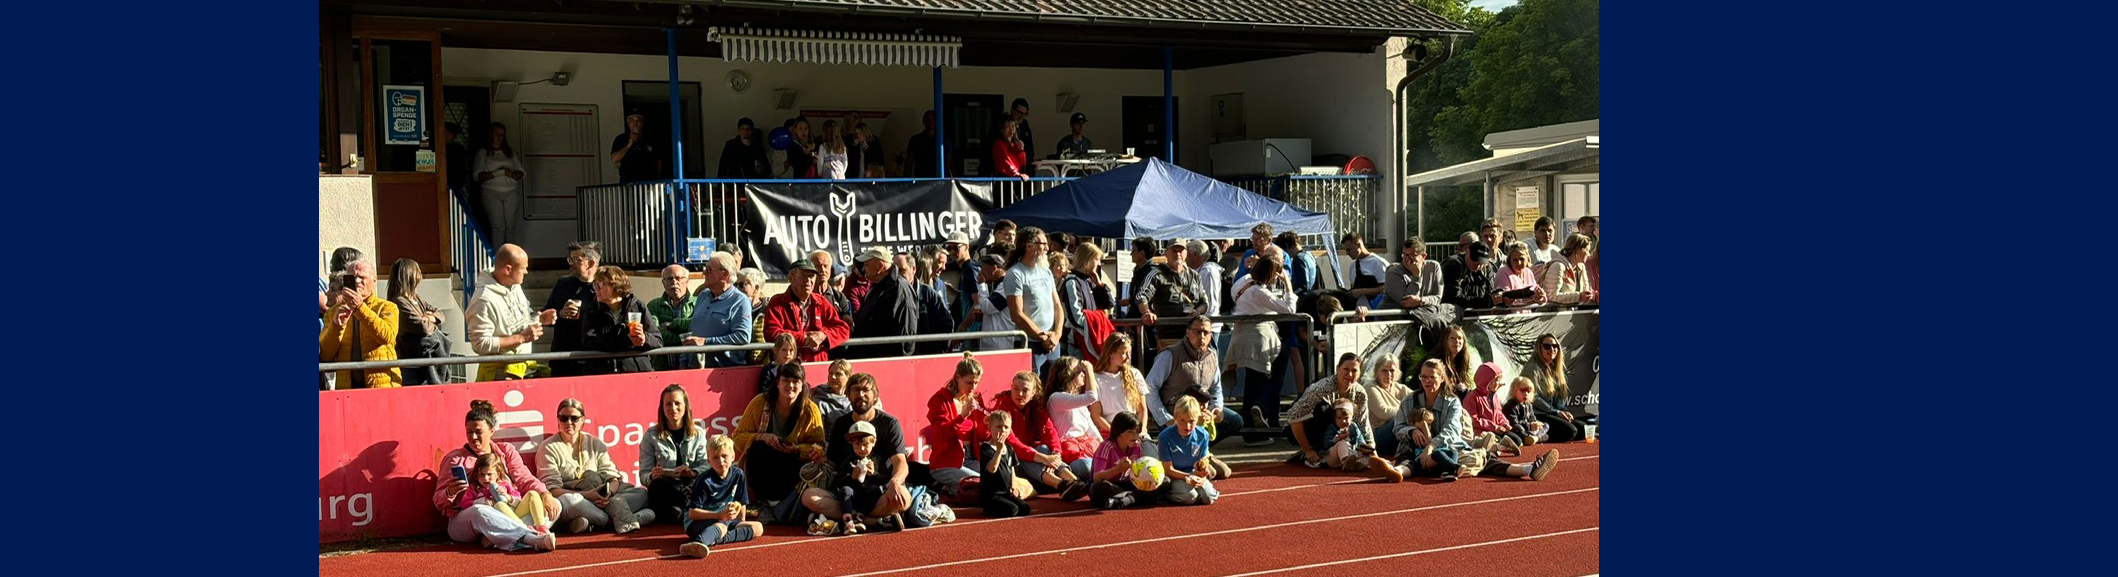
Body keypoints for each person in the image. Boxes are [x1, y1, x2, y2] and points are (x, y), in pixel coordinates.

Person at [1377, 359, 1559, 483]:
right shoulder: (1409, 401)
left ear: (1442, 378)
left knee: (1485, 458)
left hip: (1446, 450)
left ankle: (1528, 469)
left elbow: (1451, 431)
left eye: (1432, 377)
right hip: (1416, 451)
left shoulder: (1452, 402)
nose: (1427, 381)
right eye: (1423, 377)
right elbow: (1398, 427)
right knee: (1409, 457)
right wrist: (1412, 431)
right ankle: (1396, 472)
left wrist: (1432, 446)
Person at [435, 400, 560, 551]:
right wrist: (450, 492)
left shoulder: (506, 451)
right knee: (479, 510)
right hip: (466, 520)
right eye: (469, 432)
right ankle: (530, 538)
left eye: (478, 432)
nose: (473, 437)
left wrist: (545, 494)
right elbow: (438, 501)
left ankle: (497, 535)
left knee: (555, 504)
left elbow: (524, 478)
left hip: (508, 510)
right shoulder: (454, 459)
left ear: (492, 431)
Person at [804, 372, 918, 532]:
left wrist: (895, 482)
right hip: (847, 492)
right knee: (809, 497)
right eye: (856, 390)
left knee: (903, 499)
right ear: (848, 395)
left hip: (879, 492)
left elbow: (900, 463)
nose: (861, 394)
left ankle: (848, 517)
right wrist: (821, 459)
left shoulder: (889, 423)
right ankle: (873, 521)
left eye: (866, 390)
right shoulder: (841, 423)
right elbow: (833, 463)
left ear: (876, 395)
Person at [538, 398, 655, 534]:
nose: (568, 422)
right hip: (578, 498)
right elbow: (552, 490)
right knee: (570, 501)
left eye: (574, 418)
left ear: (582, 420)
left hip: (603, 497)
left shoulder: (595, 443)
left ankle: (592, 522)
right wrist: (588, 495)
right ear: (558, 420)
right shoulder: (547, 447)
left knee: (642, 494)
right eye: (563, 418)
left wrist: (608, 494)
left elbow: (612, 477)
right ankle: (621, 520)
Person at [1144, 315, 1245, 459]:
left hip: (1201, 413)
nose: (1201, 336)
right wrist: (1165, 419)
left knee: (1235, 421)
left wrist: (1216, 409)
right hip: (1176, 414)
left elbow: (1216, 388)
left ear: (1211, 334)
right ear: (1187, 332)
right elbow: (1149, 387)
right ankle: (1181, 449)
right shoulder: (1170, 355)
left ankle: (1197, 449)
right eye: (1197, 331)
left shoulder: (1213, 355)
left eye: (1206, 332)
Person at [986, 367, 1093, 500]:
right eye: (1016, 389)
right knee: (1025, 456)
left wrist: (1055, 454)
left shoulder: (1036, 406)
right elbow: (1012, 442)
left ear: (1033, 393)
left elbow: (1049, 430)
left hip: (1033, 452)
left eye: (1025, 390)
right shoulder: (1003, 408)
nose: (1019, 394)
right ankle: (1061, 485)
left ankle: (1074, 481)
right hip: (1011, 457)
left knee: (1044, 448)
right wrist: (1043, 458)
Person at [731, 362, 827, 506]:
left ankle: (785, 503)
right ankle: (764, 501)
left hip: (793, 466)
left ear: (802, 386)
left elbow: (818, 445)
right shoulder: (760, 402)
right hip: (762, 465)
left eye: (795, 381)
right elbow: (737, 437)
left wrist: (797, 449)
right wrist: (761, 437)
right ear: (777, 383)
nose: (791, 385)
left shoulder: (810, 410)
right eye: (786, 381)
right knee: (758, 447)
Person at [1227, 257, 1298, 446]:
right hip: (1260, 337)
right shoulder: (1260, 292)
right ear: (1271, 273)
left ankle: (1253, 431)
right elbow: (1289, 309)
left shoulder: (1242, 282)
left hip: (1241, 336)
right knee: (1271, 378)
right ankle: (1261, 407)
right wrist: (1288, 285)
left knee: (1252, 381)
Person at [466, 244, 551, 381]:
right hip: (498, 375)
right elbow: (480, 344)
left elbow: (522, 318)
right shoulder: (483, 300)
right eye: (523, 268)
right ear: (507, 269)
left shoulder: (514, 285)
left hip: (521, 369)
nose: (526, 272)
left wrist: (540, 319)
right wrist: (521, 338)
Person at [1286, 353, 1379, 470]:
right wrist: (1308, 451)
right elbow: (1294, 419)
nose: (1349, 374)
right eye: (1346, 369)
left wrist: (1373, 453)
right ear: (1337, 369)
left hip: (1338, 434)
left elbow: (1363, 424)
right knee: (1325, 408)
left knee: (1351, 425)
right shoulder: (1321, 389)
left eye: (1354, 371)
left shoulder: (1360, 393)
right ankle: (1313, 451)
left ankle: (1344, 456)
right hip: (1299, 428)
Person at [678, 435, 763, 558]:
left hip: (725, 519)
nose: (721, 461)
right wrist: (718, 515)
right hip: (698, 522)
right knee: (721, 526)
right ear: (709, 461)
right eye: (715, 457)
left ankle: (713, 538)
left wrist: (740, 521)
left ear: (733, 456)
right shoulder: (704, 480)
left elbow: (741, 503)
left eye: (724, 456)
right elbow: (692, 514)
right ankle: (699, 542)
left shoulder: (738, 474)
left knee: (758, 527)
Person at [320, 258, 401, 388]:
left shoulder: (387, 307)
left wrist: (360, 308)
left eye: (361, 277)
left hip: (382, 386)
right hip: (347, 390)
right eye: (352, 277)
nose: (357, 281)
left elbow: (387, 336)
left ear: (374, 280)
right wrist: (336, 326)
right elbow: (325, 355)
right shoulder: (333, 312)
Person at [639, 384, 711, 523]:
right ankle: (683, 513)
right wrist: (652, 476)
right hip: (667, 488)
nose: (673, 408)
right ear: (662, 408)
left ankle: (684, 512)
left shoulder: (698, 433)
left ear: (686, 406)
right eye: (668, 404)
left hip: (692, 487)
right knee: (656, 487)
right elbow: (643, 475)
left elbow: (706, 464)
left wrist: (692, 472)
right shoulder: (651, 435)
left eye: (677, 403)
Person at [923, 353, 991, 497]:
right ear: (957, 377)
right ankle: (946, 488)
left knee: (997, 479)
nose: (973, 387)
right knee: (981, 487)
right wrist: (962, 416)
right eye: (969, 383)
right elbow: (944, 433)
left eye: (976, 383)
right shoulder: (940, 400)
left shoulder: (975, 397)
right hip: (946, 462)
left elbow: (981, 435)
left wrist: (987, 425)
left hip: (970, 459)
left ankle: (951, 488)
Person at [760, 259, 851, 364]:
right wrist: (804, 338)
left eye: (811, 276)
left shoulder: (821, 302)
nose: (808, 280)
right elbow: (771, 333)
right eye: (803, 276)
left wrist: (823, 335)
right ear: (791, 278)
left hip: (817, 365)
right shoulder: (777, 302)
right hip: (788, 367)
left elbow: (843, 329)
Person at [1001, 227, 1065, 371]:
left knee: (1055, 389)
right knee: (1033, 389)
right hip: (1030, 343)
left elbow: (1057, 305)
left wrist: (1057, 334)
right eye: (1043, 244)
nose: (1047, 248)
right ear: (1029, 246)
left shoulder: (1046, 271)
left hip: (1053, 343)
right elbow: (1016, 314)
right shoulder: (1015, 274)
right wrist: (1041, 336)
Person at [578, 265, 661, 375]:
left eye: (601, 284)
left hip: (636, 372)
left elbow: (657, 340)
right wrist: (626, 340)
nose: (596, 289)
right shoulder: (592, 310)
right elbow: (589, 342)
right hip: (602, 373)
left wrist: (643, 339)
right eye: (595, 284)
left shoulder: (637, 305)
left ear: (616, 286)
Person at [681, 251, 753, 368]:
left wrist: (706, 342)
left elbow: (742, 336)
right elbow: (692, 332)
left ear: (725, 274)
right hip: (695, 370)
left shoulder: (739, 301)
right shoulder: (703, 296)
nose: (704, 273)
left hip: (723, 372)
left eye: (709, 269)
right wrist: (683, 365)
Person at [849, 246, 922, 359]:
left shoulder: (899, 289)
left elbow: (905, 333)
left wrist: (894, 362)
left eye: (867, 265)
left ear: (880, 266)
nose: (863, 269)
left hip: (887, 362)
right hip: (872, 358)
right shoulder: (878, 287)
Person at [542, 242, 602, 377]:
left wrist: (585, 312)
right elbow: (546, 314)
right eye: (570, 259)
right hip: (564, 357)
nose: (571, 263)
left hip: (593, 358)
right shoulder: (563, 284)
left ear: (591, 263)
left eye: (576, 260)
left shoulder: (604, 286)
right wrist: (560, 314)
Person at [1135, 239, 1209, 345]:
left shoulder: (1194, 276)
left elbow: (1204, 302)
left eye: (1181, 251)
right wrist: (1146, 312)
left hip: (1193, 336)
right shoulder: (1157, 274)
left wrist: (1197, 312)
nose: (1178, 254)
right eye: (1174, 251)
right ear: (1166, 253)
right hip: (1168, 336)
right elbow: (1141, 295)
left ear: (1186, 253)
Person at [386, 258, 447, 385]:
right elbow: (422, 328)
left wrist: (430, 318)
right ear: (410, 276)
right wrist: (432, 323)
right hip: (411, 366)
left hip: (423, 363)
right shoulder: (399, 302)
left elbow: (441, 314)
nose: (421, 277)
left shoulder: (417, 298)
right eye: (417, 272)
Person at [460, 452, 553, 534]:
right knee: (499, 504)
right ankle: (524, 529)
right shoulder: (474, 489)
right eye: (481, 475)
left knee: (532, 494)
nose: (486, 478)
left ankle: (540, 526)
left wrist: (508, 497)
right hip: (499, 519)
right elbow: (464, 504)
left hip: (514, 513)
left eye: (489, 474)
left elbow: (518, 500)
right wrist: (482, 501)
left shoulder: (505, 485)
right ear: (476, 475)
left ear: (498, 474)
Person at [1524, 332, 1593, 440]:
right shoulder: (1532, 368)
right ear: (1539, 348)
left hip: (1552, 412)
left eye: (1555, 346)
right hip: (1537, 414)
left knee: (1583, 430)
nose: (1552, 349)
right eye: (1547, 346)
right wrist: (1556, 412)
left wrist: (1563, 411)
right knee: (1570, 431)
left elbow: (1560, 400)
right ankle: (1538, 436)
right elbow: (1533, 397)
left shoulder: (1556, 370)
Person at [1087, 411, 1161, 509]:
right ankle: (1136, 497)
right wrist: (1118, 469)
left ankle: (1125, 500)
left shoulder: (1137, 446)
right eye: (1130, 432)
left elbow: (1137, 475)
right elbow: (1096, 477)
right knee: (1098, 488)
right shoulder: (1107, 446)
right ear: (1118, 432)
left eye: (1137, 431)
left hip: (1128, 483)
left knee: (1164, 481)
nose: (1135, 436)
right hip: (1111, 485)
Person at [1059, 242, 1116, 363]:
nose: (1099, 263)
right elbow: (1076, 317)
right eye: (1097, 259)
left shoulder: (1090, 281)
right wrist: (1095, 326)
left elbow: (1109, 304)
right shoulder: (1072, 282)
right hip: (1078, 342)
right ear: (1088, 259)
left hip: (1092, 339)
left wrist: (1100, 285)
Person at [1091, 333, 1153, 443]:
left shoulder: (1135, 374)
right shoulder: (1096, 379)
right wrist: (1117, 434)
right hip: (1111, 430)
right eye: (1123, 353)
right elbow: (1096, 415)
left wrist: (1141, 431)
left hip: (1135, 430)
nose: (1128, 357)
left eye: (1129, 353)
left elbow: (1142, 409)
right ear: (1111, 353)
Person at [1157, 397, 1219, 506]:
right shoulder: (1165, 437)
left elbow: (1203, 463)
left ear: (1197, 419)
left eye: (1192, 421)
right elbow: (1168, 469)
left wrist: (1202, 475)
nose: (1187, 426)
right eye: (1182, 421)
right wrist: (1188, 477)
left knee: (1208, 498)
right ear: (1175, 417)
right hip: (1175, 476)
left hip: (1194, 475)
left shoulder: (1203, 435)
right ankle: (1167, 494)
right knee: (1190, 497)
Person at [831, 420, 890, 534]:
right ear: (851, 444)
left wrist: (874, 474)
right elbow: (838, 481)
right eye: (857, 444)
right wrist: (851, 477)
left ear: (874, 443)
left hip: (868, 498)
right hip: (853, 496)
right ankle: (848, 522)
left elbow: (886, 479)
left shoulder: (878, 459)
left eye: (866, 444)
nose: (862, 449)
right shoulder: (849, 460)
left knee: (875, 490)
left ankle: (859, 517)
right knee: (845, 490)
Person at [472, 122, 526, 245]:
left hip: (511, 192)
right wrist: (498, 173)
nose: (499, 137)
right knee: (498, 227)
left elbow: (521, 173)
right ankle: (498, 259)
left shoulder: (510, 152)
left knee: (510, 228)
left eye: (502, 134)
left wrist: (511, 174)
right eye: (497, 134)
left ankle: (511, 258)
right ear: (491, 134)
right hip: (491, 193)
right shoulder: (483, 153)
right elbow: (477, 176)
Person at [979, 411, 1035, 518]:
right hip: (993, 495)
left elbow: (1012, 469)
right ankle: (988, 508)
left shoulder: (1009, 448)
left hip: (1005, 493)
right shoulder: (986, 448)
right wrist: (999, 451)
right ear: (990, 428)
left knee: (1025, 508)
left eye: (1006, 427)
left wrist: (1013, 487)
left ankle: (1006, 501)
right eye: (998, 427)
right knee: (1012, 510)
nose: (1002, 430)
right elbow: (992, 469)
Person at [1465, 362, 1529, 454]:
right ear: (1486, 381)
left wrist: (1504, 423)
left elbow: (1499, 413)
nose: (1500, 383)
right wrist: (1494, 427)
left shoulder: (1495, 397)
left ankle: (1498, 446)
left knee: (1517, 440)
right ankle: (1496, 446)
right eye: (1497, 380)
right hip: (1481, 432)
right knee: (1492, 438)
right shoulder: (1472, 397)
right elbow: (1473, 420)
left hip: (1496, 430)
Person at [959, 254, 1015, 351]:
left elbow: (986, 307)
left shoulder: (1005, 285)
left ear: (994, 268)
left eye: (982, 268)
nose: (980, 272)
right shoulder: (995, 286)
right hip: (990, 345)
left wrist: (981, 285)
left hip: (1001, 346)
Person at [648, 265, 699, 371]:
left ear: (687, 281)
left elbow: (698, 328)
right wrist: (686, 338)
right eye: (670, 279)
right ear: (663, 282)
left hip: (692, 365)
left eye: (679, 278)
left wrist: (672, 325)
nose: (674, 282)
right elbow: (655, 335)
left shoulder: (699, 303)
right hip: (662, 366)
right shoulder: (653, 305)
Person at [1364, 357, 1415, 457]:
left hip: (1398, 432)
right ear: (1376, 372)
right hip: (1378, 436)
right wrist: (1409, 413)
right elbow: (1384, 412)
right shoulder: (1370, 387)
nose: (1388, 375)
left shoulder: (1401, 389)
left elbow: (1420, 403)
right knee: (1397, 422)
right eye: (1384, 370)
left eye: (1392, 370)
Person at [1540, 233, 1598, 305]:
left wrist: (1588, 295)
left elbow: (1585, 291)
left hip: (1573, 313)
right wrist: (1578, 296)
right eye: (1586, 250)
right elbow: (1551, 296)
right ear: (1577, 250)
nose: (1588, 254)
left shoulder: (1581, 267)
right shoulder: (1558, 266)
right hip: (1555, 314)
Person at [1338, 233, 1391, 308]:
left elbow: (1387, 288)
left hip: (1378, 309)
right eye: (1346, 251)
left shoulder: (1378, 263)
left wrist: (1362, 291)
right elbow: (1353, 288)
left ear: (1358, 245)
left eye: (1349, 249)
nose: (1347, 253)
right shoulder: (1352, 266)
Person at [1443, 241, 1499, 310]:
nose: (1478, 266)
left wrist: (1499, 298)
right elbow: (1454, 297)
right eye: (1475, 261)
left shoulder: (1486, 268)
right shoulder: (1453, 265)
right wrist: (1485, 301)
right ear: (1467, 252)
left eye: (1481, 263)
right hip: (1454, 311)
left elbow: (1490, 291)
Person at [1427, 325, 1480, 396]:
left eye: (1459, 338)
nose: (1457, 341)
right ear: (1445, 341)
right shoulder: (1436, 362)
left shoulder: (1462, 360)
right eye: (1452, 338)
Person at [612, 113, 664, 183]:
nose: (635, 122)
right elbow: (614, 159)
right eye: (632, 120)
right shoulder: (621, 139)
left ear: (643, 122)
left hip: (648, 184)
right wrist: (629, 145)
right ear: (628, 123)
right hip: (627, 184)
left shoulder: (650, 139)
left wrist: (656, 181)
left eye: (638, 120)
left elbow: (659, 161)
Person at [1503, 376, 1551, 448]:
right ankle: (1532, 437)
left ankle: (1535, 437)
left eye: (1528, 391)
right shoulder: (1511, 405)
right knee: (1518, 427)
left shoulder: (1528, 405)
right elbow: (1513, 422)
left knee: (1546, 425)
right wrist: (1529, 426)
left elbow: (1532, 417)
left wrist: (1536, 423)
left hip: (1529, 430)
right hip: (1519, 429)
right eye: (1522, 390)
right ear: (1514, 391)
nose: (1526, 394)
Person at [1186, 240, 1225, 324]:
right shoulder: (1197, 271)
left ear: (1195, 255)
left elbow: (1211, 303)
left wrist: (1206, 322)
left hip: (1208, 325)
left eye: (1187, 253)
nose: (1184, 256)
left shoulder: (1208, 271)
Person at [813, 359, 856, 424]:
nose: (833, 377)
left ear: (848, 377)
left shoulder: (855, 398)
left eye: (838, 374)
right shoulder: (819, 401)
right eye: (830, 373)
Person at [904, 110, 939, 178]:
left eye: (933, 119)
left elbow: (950, 162)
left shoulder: (943, 140)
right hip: (921, 179)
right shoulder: (915, 140)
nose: (931, 122)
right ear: (924, 121)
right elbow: (909, 162)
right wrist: (906, 181)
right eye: (928, 119)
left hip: (939, 179)